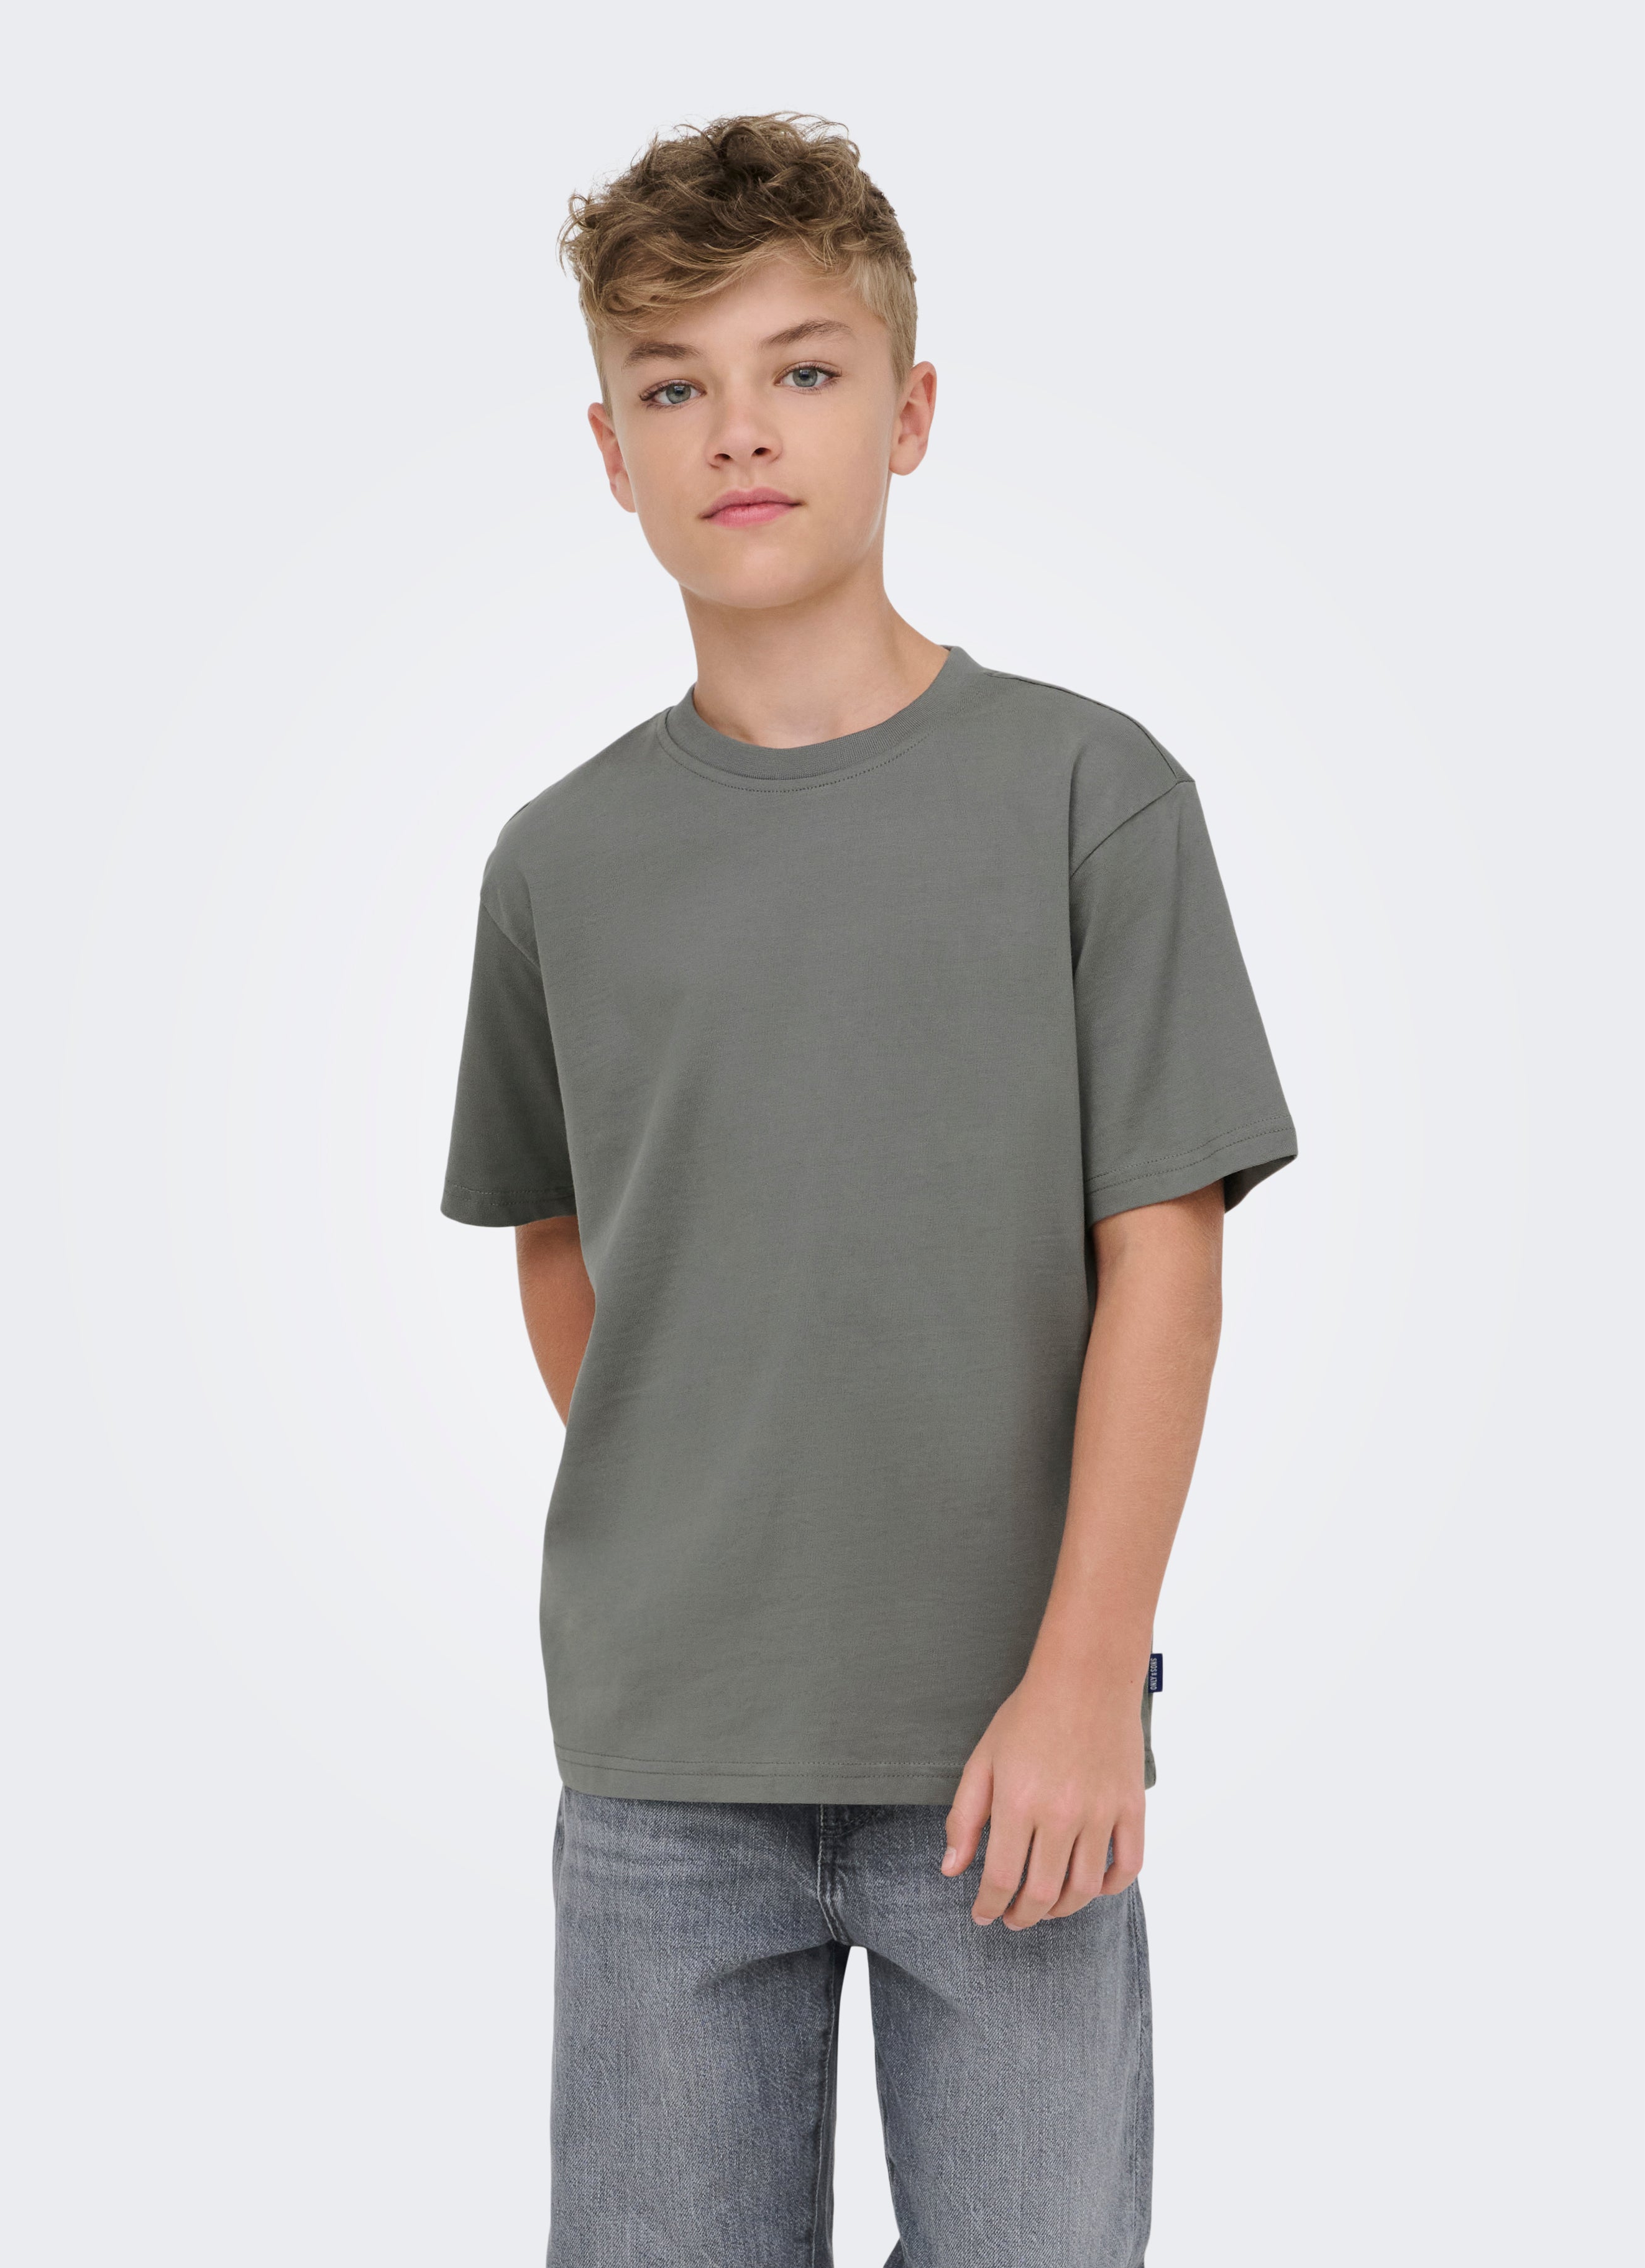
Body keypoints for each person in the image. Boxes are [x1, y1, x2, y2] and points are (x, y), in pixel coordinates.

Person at [441, 112, 1296, 2268]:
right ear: (610, 450)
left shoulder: (1089, 796)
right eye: (674, 387)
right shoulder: (559, 861)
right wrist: (715, 1508)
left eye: (802, 370)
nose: (738, 431)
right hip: (662, 1758)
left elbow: (1163, 1254)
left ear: (907, 413)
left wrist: (1087, 1674)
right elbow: (557, 1230)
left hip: (1012, 1743)